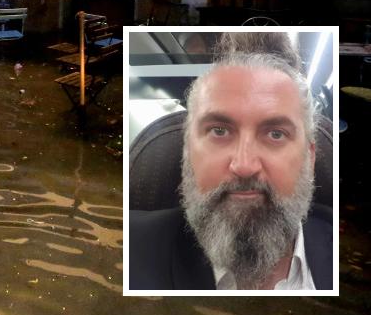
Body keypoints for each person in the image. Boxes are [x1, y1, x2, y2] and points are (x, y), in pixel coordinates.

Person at [130, 32, 333, 290]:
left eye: (275, 134)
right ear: (187, 152)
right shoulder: (133, 245)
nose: (244, 165)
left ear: (310, 158)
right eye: (220, 131)